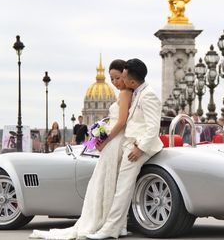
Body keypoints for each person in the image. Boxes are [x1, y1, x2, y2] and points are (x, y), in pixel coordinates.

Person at [30, 59, 134, 239]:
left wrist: (105, 138)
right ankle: (111, 222)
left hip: (114, 140)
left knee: (106, 182)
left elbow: (121, 121)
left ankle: (107, 222)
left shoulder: (125, 93)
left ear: (125, 75)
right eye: (112, 79)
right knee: (105, 182)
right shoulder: (122, 93)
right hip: (112, 139)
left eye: (117, 78)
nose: (115, 82)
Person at [87, 58, 163, 239]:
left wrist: (140, 148)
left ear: (132, 80)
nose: (120, 78)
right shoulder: (137, 92)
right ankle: (117, 227)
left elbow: (153, 127)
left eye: (123, 75)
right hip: (130, 143)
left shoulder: (148, 95)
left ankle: (110, 229)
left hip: (138, 147)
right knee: (120, 186)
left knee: (122, 188)